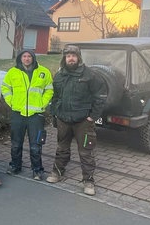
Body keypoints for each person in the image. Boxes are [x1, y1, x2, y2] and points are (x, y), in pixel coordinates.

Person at [46, 46, 106, 196]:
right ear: (64, 58)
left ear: (78, 57)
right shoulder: (60, 76)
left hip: (83, 121)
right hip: (63, 119)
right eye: (68, 56)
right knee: (62, 148)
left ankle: (89, 181)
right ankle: (57, 172)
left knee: (86, 151)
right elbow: (55, 97)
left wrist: (93, 116)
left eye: (73, 55)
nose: (70, 58)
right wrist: (56, 114)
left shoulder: (90, 75)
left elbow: (100, 96)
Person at [1, 50, 53, 180]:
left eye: (29, 56)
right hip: (18, 113)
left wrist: (43, 104)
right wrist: (11, 102)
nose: (27, 58)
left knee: (36, 145)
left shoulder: (44, 72)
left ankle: (37, 170)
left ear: (33, 58)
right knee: (16, 143)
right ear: (20, 58)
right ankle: (15, 166)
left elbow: (49, 90)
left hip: (36, 114)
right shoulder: (13, 72)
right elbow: (5, 88)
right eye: (24, 56)